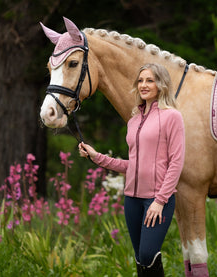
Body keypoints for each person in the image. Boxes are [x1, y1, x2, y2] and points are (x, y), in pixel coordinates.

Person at [78, 63, 185, 276]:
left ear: (161, 84)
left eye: (150, 80)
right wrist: (96, 157)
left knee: (147, 254)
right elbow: (132, 165)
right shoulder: (134, 120)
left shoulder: (172, 116)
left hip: (157, 200)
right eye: (140, 81)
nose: (143, 85)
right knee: (139, 258)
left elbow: (176, 162)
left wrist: (160, 201)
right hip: (132, 200)